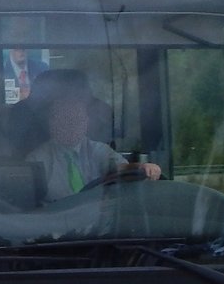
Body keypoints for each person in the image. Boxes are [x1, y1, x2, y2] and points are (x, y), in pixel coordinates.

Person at [25, 70, 161, 201]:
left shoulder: (100, 151)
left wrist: (143, 168)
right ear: (52, 123)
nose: (72, 125)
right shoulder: (37, 160)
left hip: (98, 222)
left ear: (86, 122)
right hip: (54, 221)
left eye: (78, 119)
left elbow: (123, 170)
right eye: (65, 120)